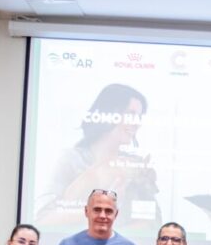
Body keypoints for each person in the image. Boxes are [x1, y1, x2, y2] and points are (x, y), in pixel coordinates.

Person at [39, 83, 158, 232]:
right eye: (131, 114)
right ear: (108, 113)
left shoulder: (136, 166)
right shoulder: (71, 160)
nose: (136, 124)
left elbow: (153, 222)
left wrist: (115, 239)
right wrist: (100, 211)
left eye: (139, 117)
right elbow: (43, 220)